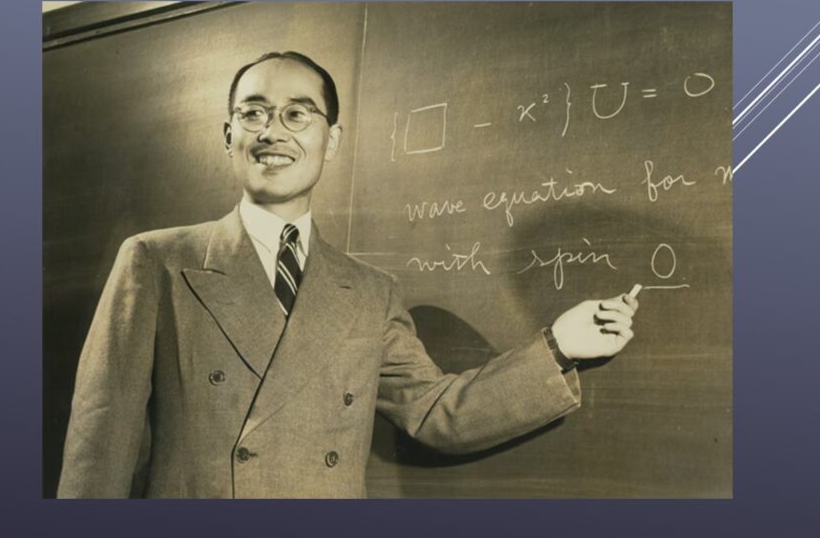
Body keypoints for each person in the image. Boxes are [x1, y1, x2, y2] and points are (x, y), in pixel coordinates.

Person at [57, 51, 639, 498]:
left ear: (330, 141)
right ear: (228, 135)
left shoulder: (368, 291)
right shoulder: (157, 261)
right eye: (252, 113)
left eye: (297, 114)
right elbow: (99, 444)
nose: (271, 131)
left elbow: (436, 412)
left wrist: (560, 346)